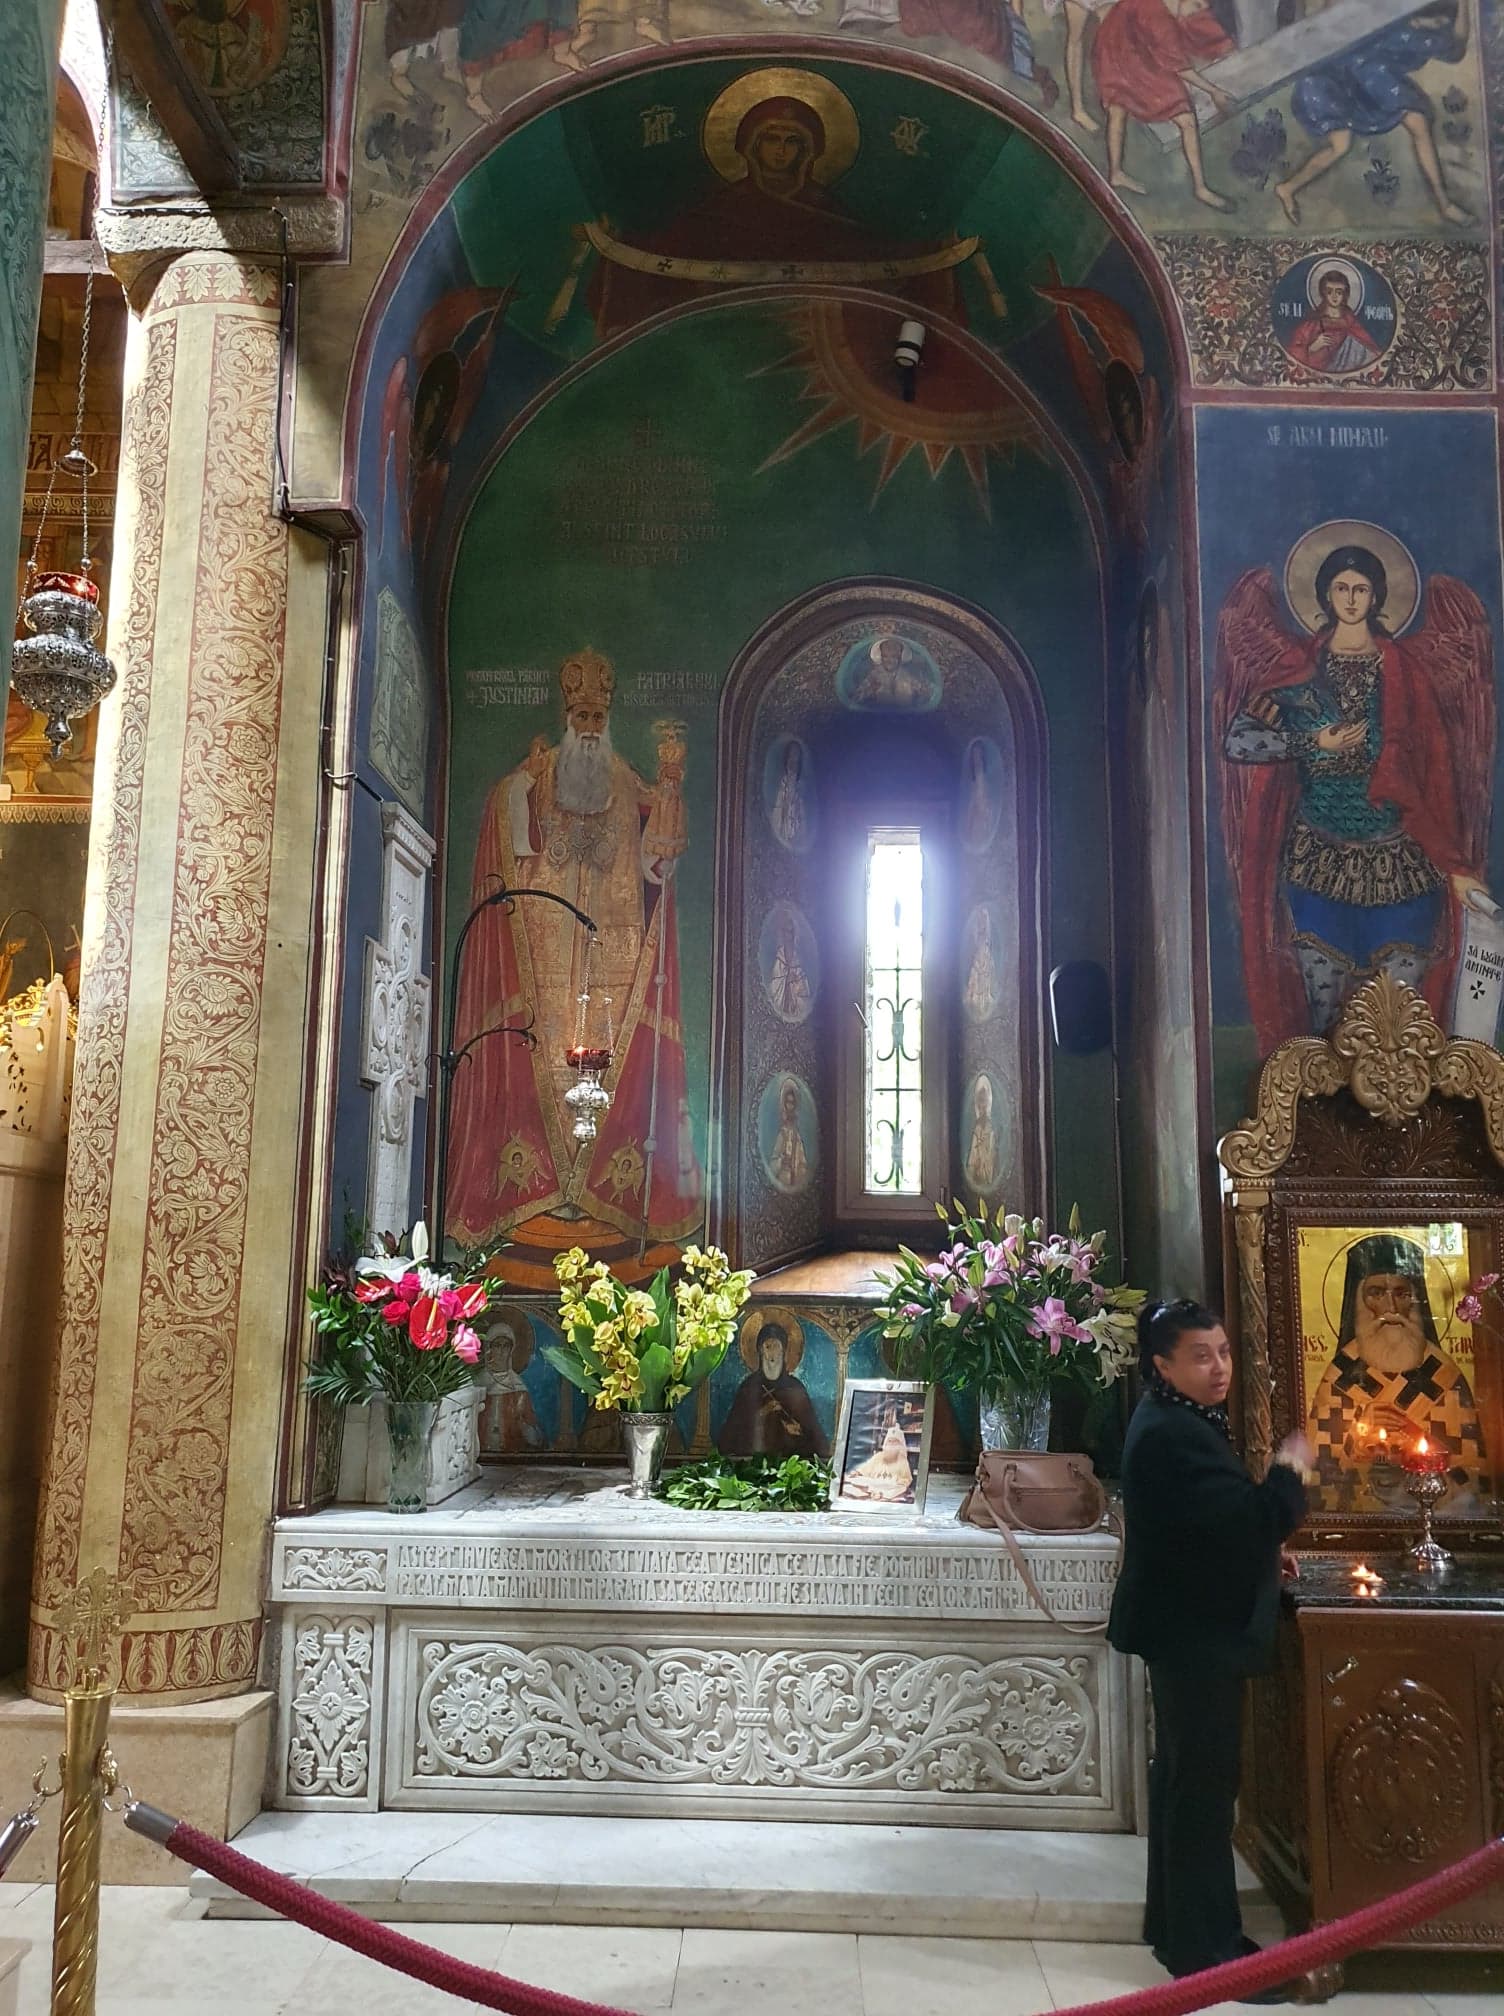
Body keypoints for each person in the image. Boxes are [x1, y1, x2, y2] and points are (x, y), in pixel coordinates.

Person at [1109, 1301, 1312, 1999]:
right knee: (1201, 1794)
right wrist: (1290, 1471)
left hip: (1183, 1625)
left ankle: (1174, 1930)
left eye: (1224, 1351)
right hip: (1196, 1636)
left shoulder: (1172, 1418)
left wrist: (1262, 1557)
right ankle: (1208, 1955)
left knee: (1182, 1783)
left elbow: (1212, 1528)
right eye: (1201, 1355)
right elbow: (1256, 1513)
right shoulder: (1177, 1434)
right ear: (1162, 1364)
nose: (1220, 1366)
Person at [1217, 540, 1493, 1051]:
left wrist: (1454, 863)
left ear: (1376, 596)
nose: (1350, 598)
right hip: (1318, 857)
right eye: (1341, 588)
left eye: (1360, 588)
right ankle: (1322, 1112)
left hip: (1401, 858)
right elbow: (1238, 740)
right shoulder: (1299, 669)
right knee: (1324, 1012)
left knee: (1402, 1016)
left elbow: (1434, 767)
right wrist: (1310, 741)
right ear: (1325, 594)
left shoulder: (1405, 672)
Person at [1305, 1234, 1487, 1513]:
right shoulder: (1341, 1376)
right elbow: (1317, 1475)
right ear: (1357, 1300)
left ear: (1416, 1300)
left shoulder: (1443, 1375)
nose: (1390, 1308)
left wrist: (1418, 1441)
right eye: (1376, 1293)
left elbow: (1474, 1479)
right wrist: (1357, 1438)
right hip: (1360, 1521)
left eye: (1401, 1293)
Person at [1275, 3, 1473, 228]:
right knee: (1340, 145)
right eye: (1437, 22)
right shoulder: (1401, 26)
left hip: (1368, 75)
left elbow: (1456, 48)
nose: (1438, 27)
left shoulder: (1409, 29)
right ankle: (1288, 188)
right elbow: (1456, 47)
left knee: (1417, 121)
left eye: (1441, 24)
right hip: (1333, 76)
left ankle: (1444, 204)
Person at [1091, 0, 1236, 212]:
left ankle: (1116, 172)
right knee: (1184, 116)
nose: (1197, 12)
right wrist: (1213, 90)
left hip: (1125, 44)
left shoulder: (1169, 8)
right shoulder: (1159, 19)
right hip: (1117, 51)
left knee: (1117, 108)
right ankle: (1200, 188)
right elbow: (1179, 66)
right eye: (1196, 6)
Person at [718, 1317, 829, 1459]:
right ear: (760, 1351)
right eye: (767, 1347)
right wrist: (764, 1411)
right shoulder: (749, 1387)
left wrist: (798, 1431)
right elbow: (730, 1438)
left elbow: (818, 1442)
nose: (772, 1353)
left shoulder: (795, 1388)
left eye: (776, 1346)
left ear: (783, 1351)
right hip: (751, 1464)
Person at [1286, 268, 1381, 377]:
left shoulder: (1351, 323)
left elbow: (1372, 353)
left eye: (1339, 292)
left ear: (1345, 294)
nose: (1334, 296)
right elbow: (1291, 356)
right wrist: (1311, 348)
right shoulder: (1311, 324)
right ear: (1323, 293)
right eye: (1329, 291)